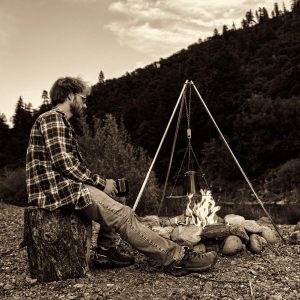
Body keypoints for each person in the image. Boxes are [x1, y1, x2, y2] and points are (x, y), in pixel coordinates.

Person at [26, 76, 218, 276]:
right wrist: (101, 183)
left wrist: (104, 185)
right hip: (57, 191)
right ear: (70, 95)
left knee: (117, 194)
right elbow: (65, 164)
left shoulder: (58, 121)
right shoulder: (53, 119)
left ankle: (105, 251)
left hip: (64, 187)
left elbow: (67, 165)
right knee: (123, 215)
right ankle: (176, 258)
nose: (85, 103)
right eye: (83, 98)